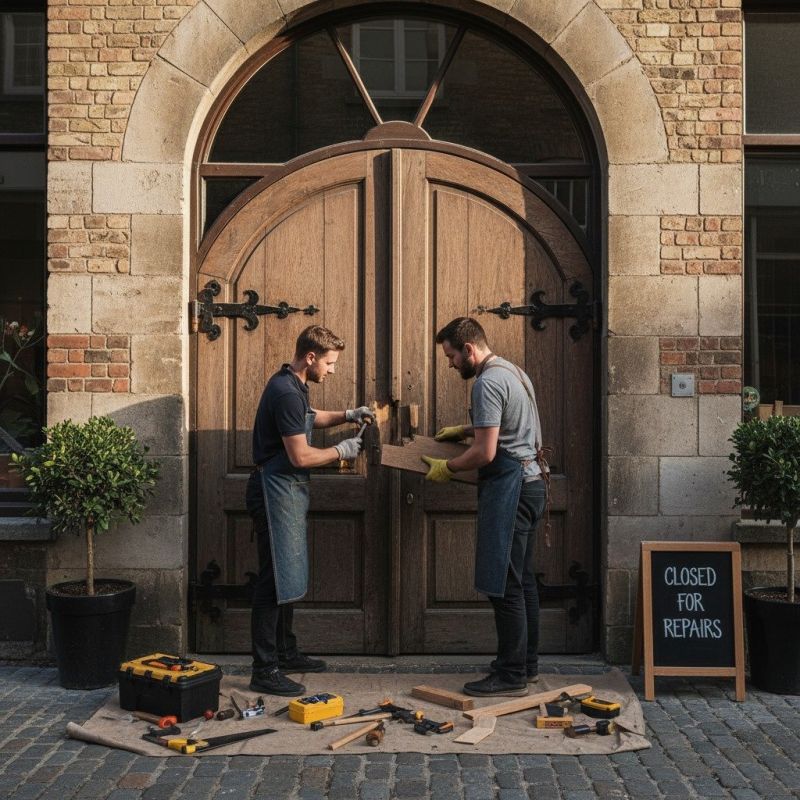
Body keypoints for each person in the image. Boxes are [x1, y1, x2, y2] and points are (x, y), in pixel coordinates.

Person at [422, 317, 547, 697]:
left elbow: (485, 451)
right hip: (534, 483)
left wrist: (448, 466)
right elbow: (505, 424)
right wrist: (462, 430)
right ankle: (526, 665)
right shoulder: (513, 371)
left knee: (503, 584)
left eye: (452, 356)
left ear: (469, 350)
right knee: (522, 581)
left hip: (513, 487)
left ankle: (510, 675)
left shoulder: (486, 382)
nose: (451, 364)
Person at [246, 325, 373, 697]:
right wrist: (342, 451)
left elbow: (309, 417)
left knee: (286, 575)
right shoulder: (285, 391)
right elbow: (300, 455)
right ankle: (264, 668)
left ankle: (285, 652)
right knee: (273, 581)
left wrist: (348, 414)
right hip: (273, 491)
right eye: (330, 363)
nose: (332, 370)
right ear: (311, 357)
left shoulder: (293, 385)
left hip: (286, 489)